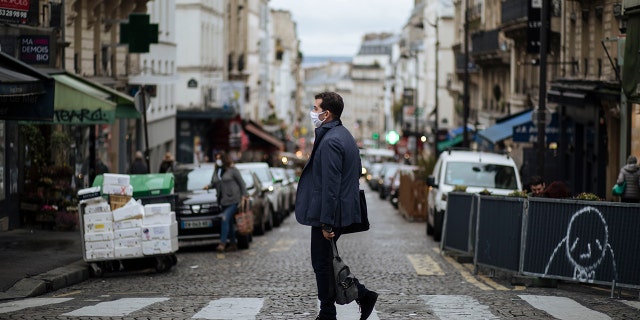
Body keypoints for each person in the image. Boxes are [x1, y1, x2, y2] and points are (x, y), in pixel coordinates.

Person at [295, 92, 378, 320]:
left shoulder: (331, 141)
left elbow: (330, 185)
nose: (313, 113)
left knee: (321, 264)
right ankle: (359, 296)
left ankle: (330, 311)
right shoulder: (344, 135)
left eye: (315, 108)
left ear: (326, 113)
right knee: (326, 261)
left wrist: (326, 221)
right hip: (337, 210)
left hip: (330, 213)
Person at [205, 151, 248, 252]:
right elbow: (214, 182)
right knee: (228, 222)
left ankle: (222, 243)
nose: (218, 160)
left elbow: (242, 183)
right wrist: (208, 186)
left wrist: (245, 195)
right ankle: (233, 244)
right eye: (217, 158)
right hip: (222, 200)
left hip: (233, 200)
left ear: (224, 159)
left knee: (224, 218)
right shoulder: (217, 171)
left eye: (220, 158)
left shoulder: (233, 170)